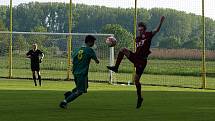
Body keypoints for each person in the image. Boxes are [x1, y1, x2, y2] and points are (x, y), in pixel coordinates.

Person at [107, 16, 165, 109]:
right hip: (136, 57)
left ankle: (139, 98)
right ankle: (116, 68)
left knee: (136, 81)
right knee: (122, 49)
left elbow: (156, 30)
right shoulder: (137, 38)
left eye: (141, 30)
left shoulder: (148, 35)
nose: (140, 31)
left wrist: (161, 21)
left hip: (142, 60)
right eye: (139, 30)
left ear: (144, 29)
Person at [59, 35, 99, 109]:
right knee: (80, 91)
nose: (94, 44)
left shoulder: (77, 49)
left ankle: (70, 94)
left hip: (75, 72)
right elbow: (97, 61)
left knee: (85, 87)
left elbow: (73, 60)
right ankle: (64, 102)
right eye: (93, 42)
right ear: (90, 42)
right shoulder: (90, 50)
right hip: (82, 73)